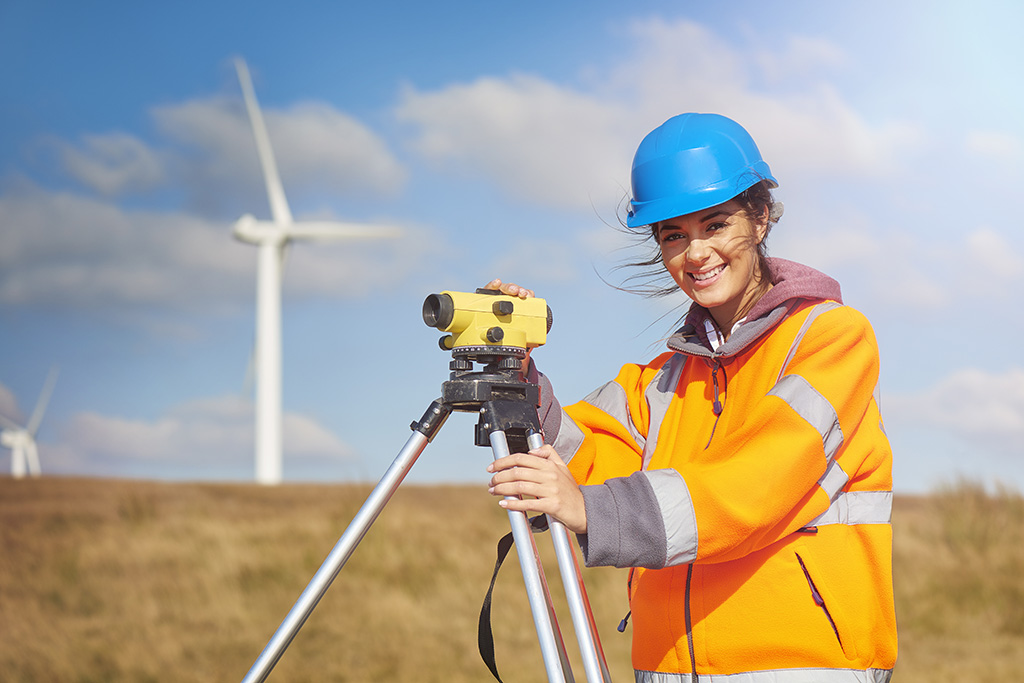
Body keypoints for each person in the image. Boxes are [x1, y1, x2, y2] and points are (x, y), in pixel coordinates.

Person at [486, 113, 897, 682]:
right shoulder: (663, 377)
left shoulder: (831, 338)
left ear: (759, 217)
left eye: (716, 224)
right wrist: (518, 374)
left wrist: (592, 510)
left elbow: (758, 483)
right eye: (673, 234)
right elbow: (586, 458)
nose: (695, 252)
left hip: (798, 666)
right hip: (669, 669)